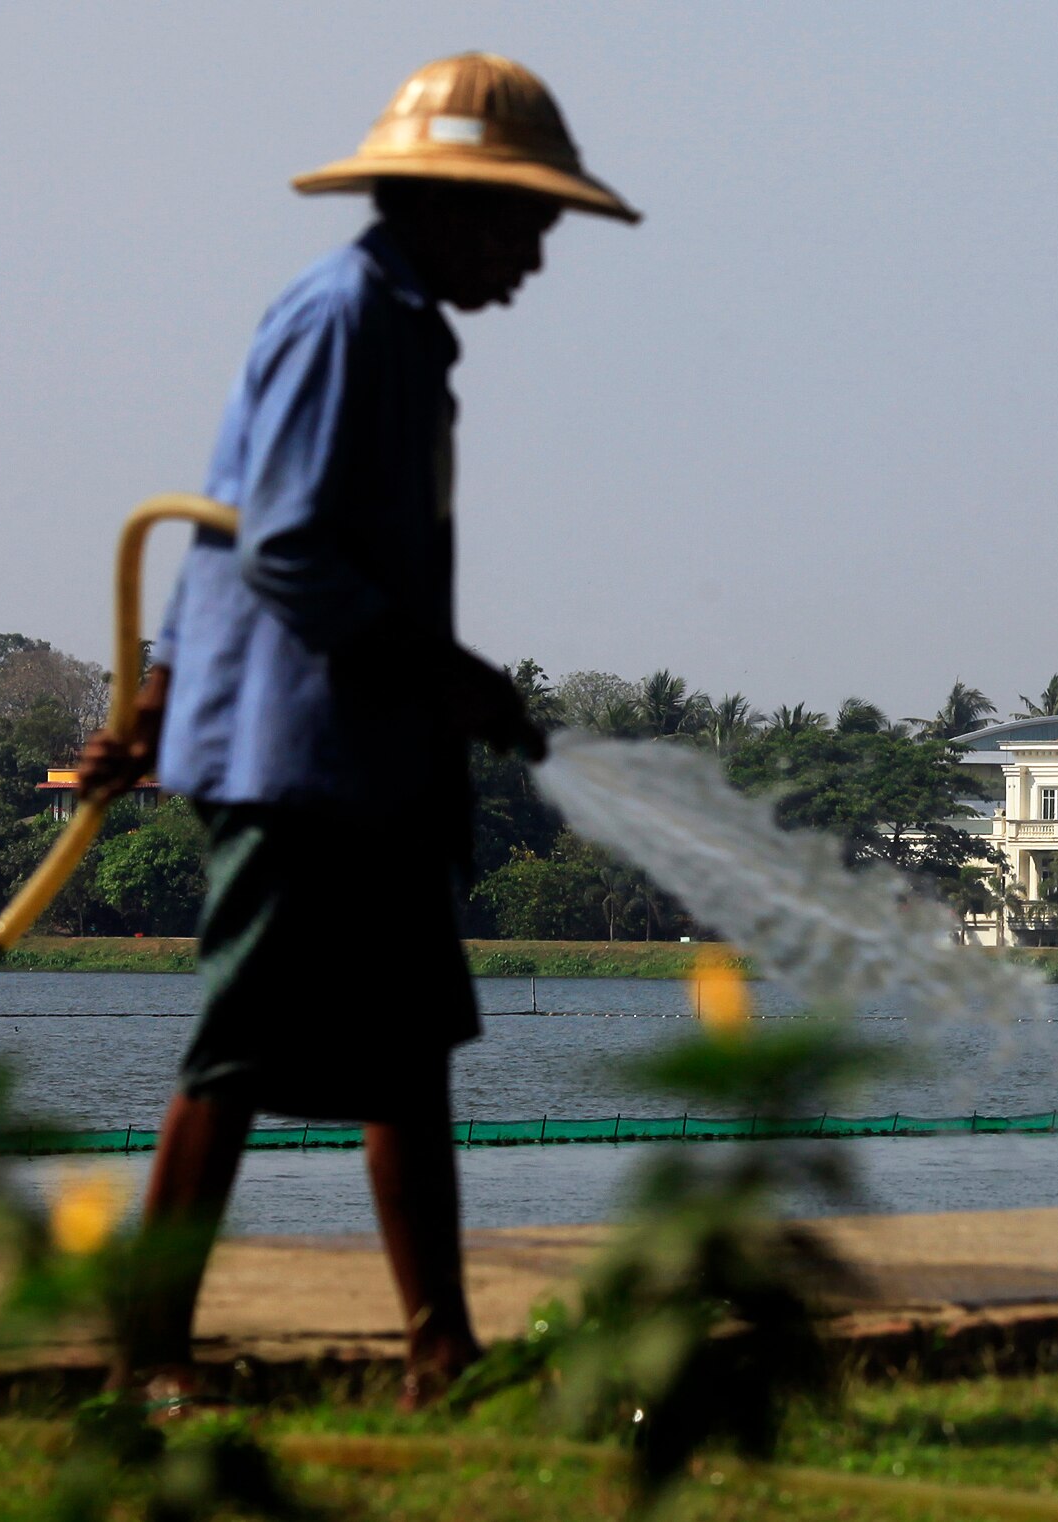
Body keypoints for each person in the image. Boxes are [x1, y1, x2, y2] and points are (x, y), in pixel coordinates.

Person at [77, 52, 638, 1407]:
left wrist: (154, 699)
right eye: (526, 224)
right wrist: (442, 673)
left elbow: (223, 515)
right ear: (446, 205)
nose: (536, 258)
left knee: (405, 1051)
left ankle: (440, 1352)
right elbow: (279, 549)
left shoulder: (396, 327)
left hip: (361, 753)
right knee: (240, 1047)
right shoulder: (345, 320)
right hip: (295, 755)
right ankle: (149, 1356)